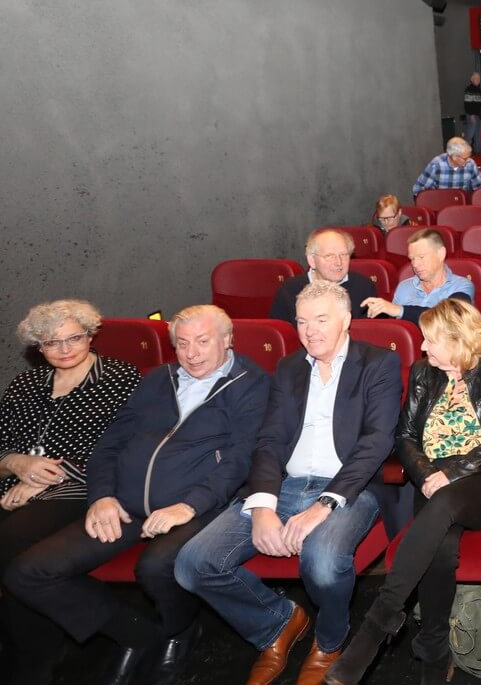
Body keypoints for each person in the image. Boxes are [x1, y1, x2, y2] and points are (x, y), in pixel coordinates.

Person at [6, 305, 270, 685]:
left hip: (200, 504)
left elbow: (241, 458)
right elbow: (108, 445)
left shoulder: (253, 384)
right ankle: (143, 635)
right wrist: (101, 496)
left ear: (227, 340)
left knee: (156, 566)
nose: (192, 353)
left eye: (202, 341)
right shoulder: (156, 379)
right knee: (28, 572)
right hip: (126, 504)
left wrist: (187, 505)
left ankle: (178, 629)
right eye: (182, 343)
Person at [175, 282, 400, 685]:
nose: (310, 330)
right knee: (193, 564)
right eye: (301, 321)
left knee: (324, 562)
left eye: (321, 319)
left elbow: (376, 442)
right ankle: (278, 624)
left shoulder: (378, 363)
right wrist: (262, 505)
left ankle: (330, 640)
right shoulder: (289, 367)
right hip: (285, 484)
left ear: (347, 321)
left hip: (350, 488)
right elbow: (270, 441)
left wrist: (324, 504)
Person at [326, 299, 481, 685]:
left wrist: (452, 471)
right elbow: (404, 436)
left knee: (445, 501)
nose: (422, 348)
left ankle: (377, 623)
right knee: (441, 549)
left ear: (456, 339)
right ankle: (434, 655)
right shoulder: (423, 373)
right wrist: (425, 474)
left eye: (431, 340)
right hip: (432, 480)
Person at [0, 300, 141, 683]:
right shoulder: (26, 383)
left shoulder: (120, 378)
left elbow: (119, 448)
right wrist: (17, 465)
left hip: (83, 490)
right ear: (37, 347)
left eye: (73, 338)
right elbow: (3, 445)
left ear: (91, 335)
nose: (63, 349)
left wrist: (42, 482)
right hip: (14, 487)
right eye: (50, 343)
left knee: (12, 539)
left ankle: (31, 661)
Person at [362, 229, 474, 324]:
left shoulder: (461, 285)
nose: (415, 264)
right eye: (412, 259)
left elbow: (450, 318)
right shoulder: (404, 287)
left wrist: (400, 310)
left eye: (421, 257)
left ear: (441, 254)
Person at [269, 228, 376, 325]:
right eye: (329, 256)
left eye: (343, 255)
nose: (338, 262)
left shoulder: (364, 287)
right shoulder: (289, 290)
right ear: (312, 260)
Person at [411, 137, 481, 198]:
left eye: (469, 156)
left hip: (462, 205)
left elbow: (479, 189)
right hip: (440, 204)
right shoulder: (436, 164)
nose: (468, 160)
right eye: (465, 158)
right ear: (454, 157)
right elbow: (418, 189)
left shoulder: (470, 164)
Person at [462, 72, 481, 154]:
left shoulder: (479, 90)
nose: (477, 80)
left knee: (478, 136)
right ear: (471, 80)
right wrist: (471, 114)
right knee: (469, 136)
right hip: (472, 115)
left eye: (478, 78)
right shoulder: (469, 90)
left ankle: (478, 153)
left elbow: (480, 104)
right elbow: (467, 104)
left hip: (478, 116)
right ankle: (465, 154)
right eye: (475, 78)